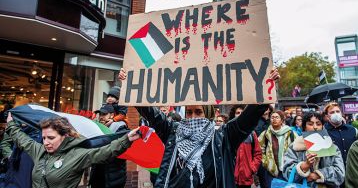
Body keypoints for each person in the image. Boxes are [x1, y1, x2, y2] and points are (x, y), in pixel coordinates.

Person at [118, 68, 280, 188]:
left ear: (208, 114)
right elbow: (151, 113)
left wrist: (266, 89)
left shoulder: (223, 137)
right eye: (189, 112)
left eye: (198, 112)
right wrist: (130, 86)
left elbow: (247, 118)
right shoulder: (174, 131)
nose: (193, 117)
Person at [5, 113, 140, 188]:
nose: (46, 142)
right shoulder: (39, 150)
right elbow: (22, 139)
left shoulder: (77, 155)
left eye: (51, 138)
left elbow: (106, 151)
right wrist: (11, 123)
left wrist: (126, 139)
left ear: (64, 136)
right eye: (44, 138)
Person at [283, 112, 345, 187]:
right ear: (304, 127)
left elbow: (340, 174)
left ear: (322, 126)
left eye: (318, 124)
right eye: (310, 124)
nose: (315, 127)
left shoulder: (332, 147)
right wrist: (304, 166)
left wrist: (317, 175)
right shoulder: (294, 147)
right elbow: (287, 173)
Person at [89, 104, 129, 188]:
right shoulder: (97, 127)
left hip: (113, 176)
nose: (101, 117)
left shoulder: (120, 127)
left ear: (112, 115)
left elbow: (122, 150)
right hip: (97, 175)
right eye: (100, 114)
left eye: (104, 114)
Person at [258, 110, 297, 188]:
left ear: (282, 120)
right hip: (271, 170)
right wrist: (266, 162)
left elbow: (297, 149)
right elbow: (259, 149)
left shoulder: (291, 133)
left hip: (287, 169)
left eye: (277, 117)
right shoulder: (265, 134)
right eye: (272, 117)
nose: (274, 119)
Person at [230, 105, 262, 188]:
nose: (240, 115)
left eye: (242, 113)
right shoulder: (227, 133)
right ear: (233, 115)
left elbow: (258, 153)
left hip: (246, 178)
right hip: (230, 177)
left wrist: (252, 168)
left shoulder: (251, 133)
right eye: (237, 113)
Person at [324, 103, 356, 170]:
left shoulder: (352, 130)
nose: (336, 114)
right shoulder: (324, 132)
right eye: (332, 112)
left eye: (338, 111)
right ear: (327, 116)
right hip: (335, 172)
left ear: (341, 113)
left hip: (352, 169)